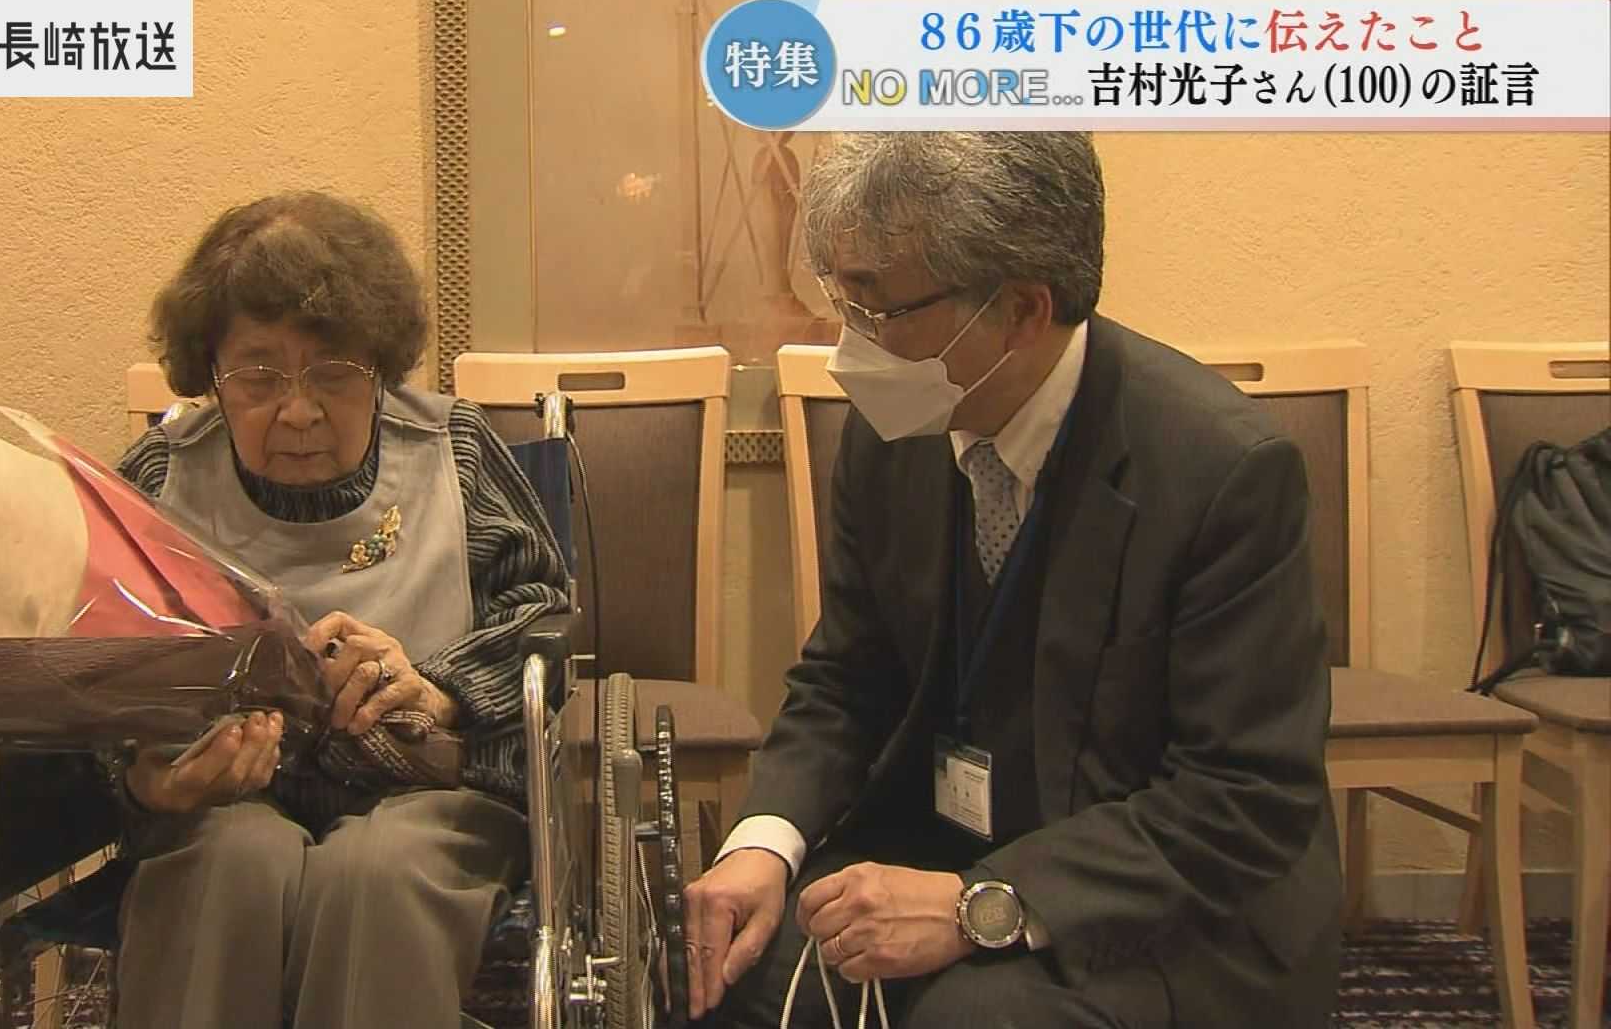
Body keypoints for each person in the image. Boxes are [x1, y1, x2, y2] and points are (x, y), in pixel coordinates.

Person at [685, 133, 1341, 1028]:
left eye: (878, 309)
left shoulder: (1223, 470)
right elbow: (846, 680)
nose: (851, 344)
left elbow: (1241, 797)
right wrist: (765, 844)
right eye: (842, 301)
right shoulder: (896, 429)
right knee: (728, 968)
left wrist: (981, 904)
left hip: (1160, 903)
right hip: (942, 840)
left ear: (1024, 310)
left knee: (975, 1019)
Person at [103, 190, 569, 1029]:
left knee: (377, 874)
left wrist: (440, 688)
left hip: (427, 798)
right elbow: (95, 673)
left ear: (379, 368)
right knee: (229, 865)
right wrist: (148, 781)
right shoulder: (160, 476)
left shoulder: (456, 451)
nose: (299, 410)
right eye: (259, 376)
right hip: (223, 807)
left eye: (333, 373)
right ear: (211, 374)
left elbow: (543, 615)